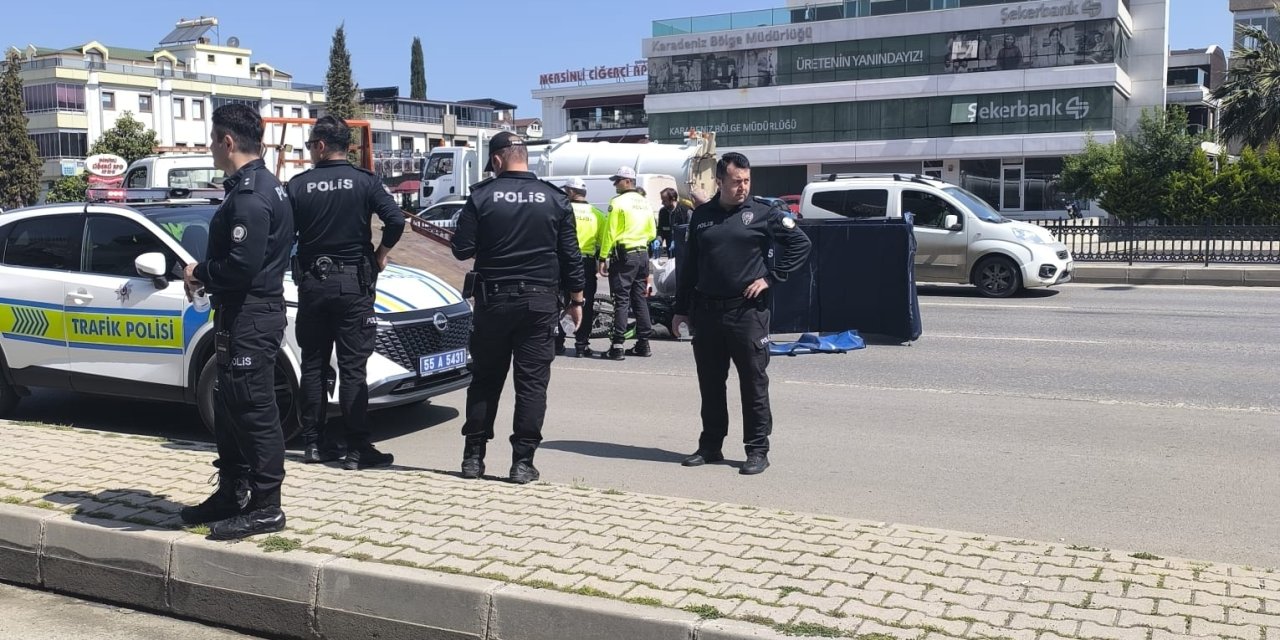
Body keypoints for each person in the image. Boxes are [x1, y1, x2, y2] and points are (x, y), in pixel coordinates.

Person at [180, 103, 294, 539]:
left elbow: (241, 267)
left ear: (228, 141)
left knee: (255, 411)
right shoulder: (262, 185)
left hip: (252, 315)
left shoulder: (250, 195)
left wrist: (199, 273)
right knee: (229, 409)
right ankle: (232, 492)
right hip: (240, 315)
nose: (211, 148)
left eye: (212, 140)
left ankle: (267, 506)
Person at [450, 132, 585, 484]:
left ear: (496, 160)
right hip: (540, 303)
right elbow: (571, 256)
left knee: (485, 381)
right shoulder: (555, 198)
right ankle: (522, 463)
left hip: (493, 301)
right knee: (531, 385)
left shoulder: (481, 196)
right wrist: (577, 301)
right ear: (524, 156)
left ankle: (473, 459)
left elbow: (461, 250)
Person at [670, 152, 811, 476]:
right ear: (720, 181)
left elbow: (801, 245)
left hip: (746, 314)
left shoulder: (764, 213)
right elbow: (689, 268)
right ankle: (711, 445)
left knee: (753, 384)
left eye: (747, 181)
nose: (743, 187)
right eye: (736, 182)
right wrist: (680, 311)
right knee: (711, 384)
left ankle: (757, 449)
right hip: (707, 314)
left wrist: (771, 278)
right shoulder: (702, 215)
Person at [287, 115, 405, 471]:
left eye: (310, 146)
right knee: (353, 368)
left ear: (321, 146)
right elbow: (397, 221)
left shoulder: (298, 185)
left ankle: (313, 444)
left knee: (313, 364)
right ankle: (356, 449)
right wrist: (381, 254)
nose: (309, 152)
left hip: (312, 284)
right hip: (353, 284)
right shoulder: (365, 182)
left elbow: (281, 233)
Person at [598, 166, 657, 360]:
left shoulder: (617, 203)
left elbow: (610, 232)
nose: (615, 184)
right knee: (640, 299)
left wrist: (603, 256)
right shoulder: (645, 203)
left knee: (621, 300)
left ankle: (617, 346)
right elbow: (652, 233)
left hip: (624, 255)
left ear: (628, 181)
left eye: (617, 180)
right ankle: (643, 343)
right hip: (642, 254)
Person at [556, 177, 606, 358]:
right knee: (585, 303)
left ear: (570, 192)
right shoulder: (598, 214)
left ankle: (557, 341)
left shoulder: (563, 210)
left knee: (560, 301)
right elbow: (602, 242)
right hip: (586, 261)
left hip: (563, 260)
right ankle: (581, 345)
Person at [659, 187, 692, 258]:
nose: (662, 203)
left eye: (664, 201)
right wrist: (658, 240)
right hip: (670, 252)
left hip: (684, 253)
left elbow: (691, 231)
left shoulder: (686, 211)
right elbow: (661, 230)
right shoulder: (663, 212)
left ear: (673, 199)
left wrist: (678, 242)